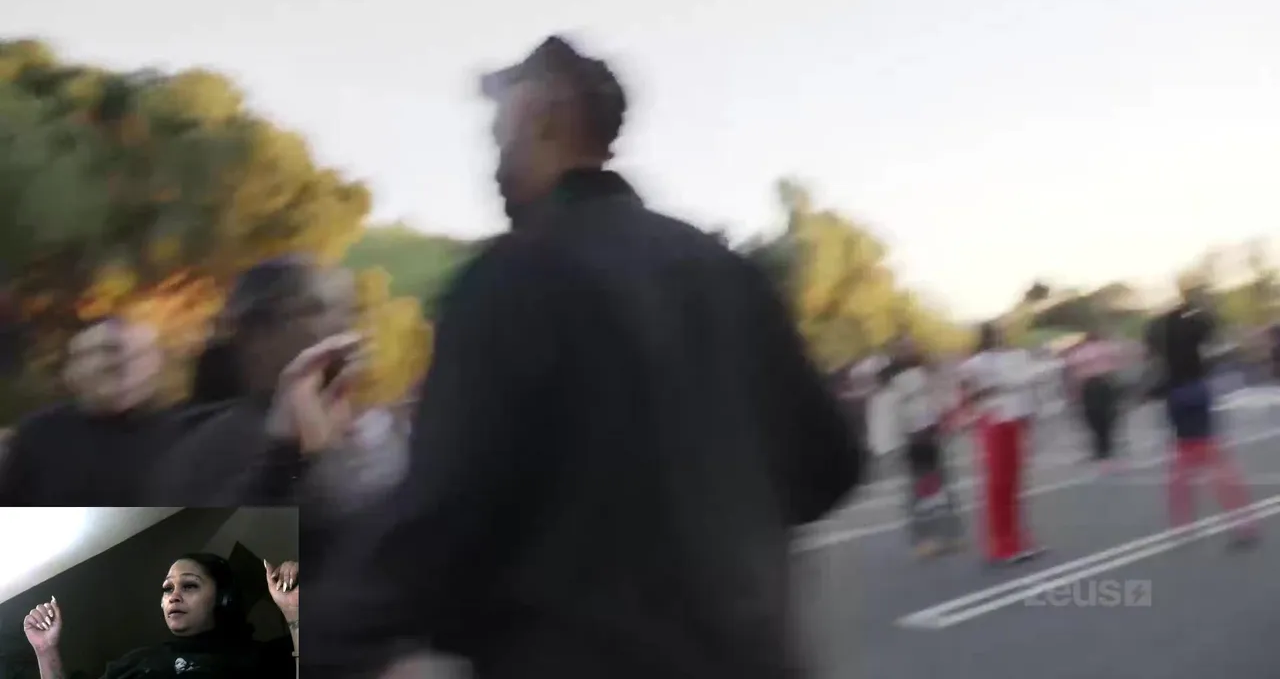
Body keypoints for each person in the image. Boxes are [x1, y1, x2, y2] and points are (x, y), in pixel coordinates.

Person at [303, 35, 863, 679]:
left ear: (541, 114)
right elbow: (831, 465)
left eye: (499, 117)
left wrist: (292, 635)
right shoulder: (729, 274)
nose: (491, 141)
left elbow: (434, 522)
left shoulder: (512, 280)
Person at [147, 256, 360, 506]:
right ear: (258, 334)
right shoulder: (214, 451)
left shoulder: (359, 430)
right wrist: (285, 467)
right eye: (317, 309)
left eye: (349, 309)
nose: (343, 324)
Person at [22, 554, 299, 678]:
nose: (173, 596)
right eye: (167, 588)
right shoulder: (134, 662)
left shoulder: (262, 658)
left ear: (223, 597)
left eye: (189, 586)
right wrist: (46, 650)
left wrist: (294, 610)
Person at [0, 318, 170, 505]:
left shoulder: (181, 436)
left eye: (136, 355)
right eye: (106, 350)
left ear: (157, 364)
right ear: (71, 370)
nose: (118, 362)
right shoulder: (39, 433)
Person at [1144, 273, 1257, 548]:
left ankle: (1182, 523)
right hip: (1195, 388)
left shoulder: (1157, 327)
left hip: (1174, 393)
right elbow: (1214, 332)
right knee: (1214, 457)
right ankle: (1241, 522)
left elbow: (1152, 356)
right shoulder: (1194, 322)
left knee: (1182, 458)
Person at [959, 322, 1045, 566]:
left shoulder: (1013, 358)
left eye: (1001, 333)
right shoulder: (974, 364)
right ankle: (1001, 545)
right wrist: (990, 390)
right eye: (994, 334)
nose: (999, 337)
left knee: (1015, 482)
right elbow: (967, 395)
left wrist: (1028, 415)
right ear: (985, 337)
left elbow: (1027, 386)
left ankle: (1021, 539)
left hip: (1013, 418)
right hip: (992, 419)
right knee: (998, 484)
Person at [880, 336, 963, 558]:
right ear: (896, 352)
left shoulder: (925, 369)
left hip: (930, 432)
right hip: (911, 438)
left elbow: (939, 395)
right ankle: (924, 540)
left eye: (911, 346)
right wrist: (895, 442)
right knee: (919, 492)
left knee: (942, 486)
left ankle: (950, 534)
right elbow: (889, 413)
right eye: (904, 348)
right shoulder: (892, 379)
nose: (909, 350)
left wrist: (943, 421)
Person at [1064, 329, 1123, 466]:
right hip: (1106, 382)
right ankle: (1107, 445)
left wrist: (1073, 393)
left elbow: (1072, 372)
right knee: (1108, 415)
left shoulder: (1078, 353)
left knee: (1093, 417)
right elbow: (1117, 364)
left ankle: (1100, 447)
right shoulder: (1106, 348)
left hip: (1089, 386)